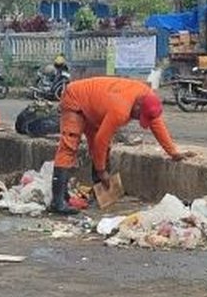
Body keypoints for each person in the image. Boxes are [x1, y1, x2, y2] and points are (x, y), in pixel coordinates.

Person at [49, 76, 195, 214]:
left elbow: (156, 123)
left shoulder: (148, 98)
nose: (137, 120)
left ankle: (96, 193)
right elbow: (101, 140)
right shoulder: (120, 110)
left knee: (101, 148)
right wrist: (102, 171)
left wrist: (173, 152)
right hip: (75, 98)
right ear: (137, 106)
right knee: (69, 146)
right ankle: (57, 202)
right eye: (139, 116)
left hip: (94, 107)